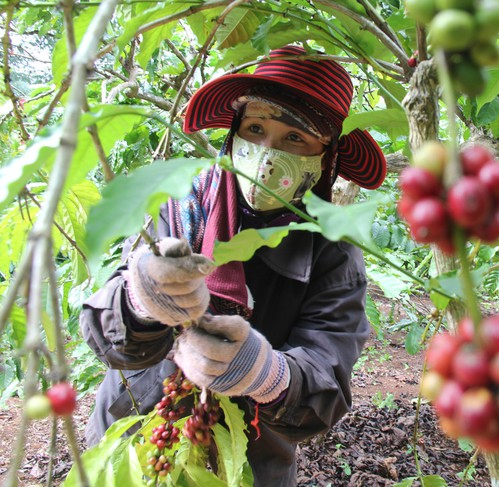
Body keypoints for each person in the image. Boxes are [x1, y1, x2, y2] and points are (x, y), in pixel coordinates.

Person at [80, 44, 387, 485]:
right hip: (135, 434)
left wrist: (266, 374)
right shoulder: (180, 205)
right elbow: (106, 336)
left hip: (250, 464)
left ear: (325, 158)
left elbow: (327, 386)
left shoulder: (332, 254)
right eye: (256, 127)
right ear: (234, 132)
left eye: (295, 137)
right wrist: (140, 300)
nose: (266, 153)